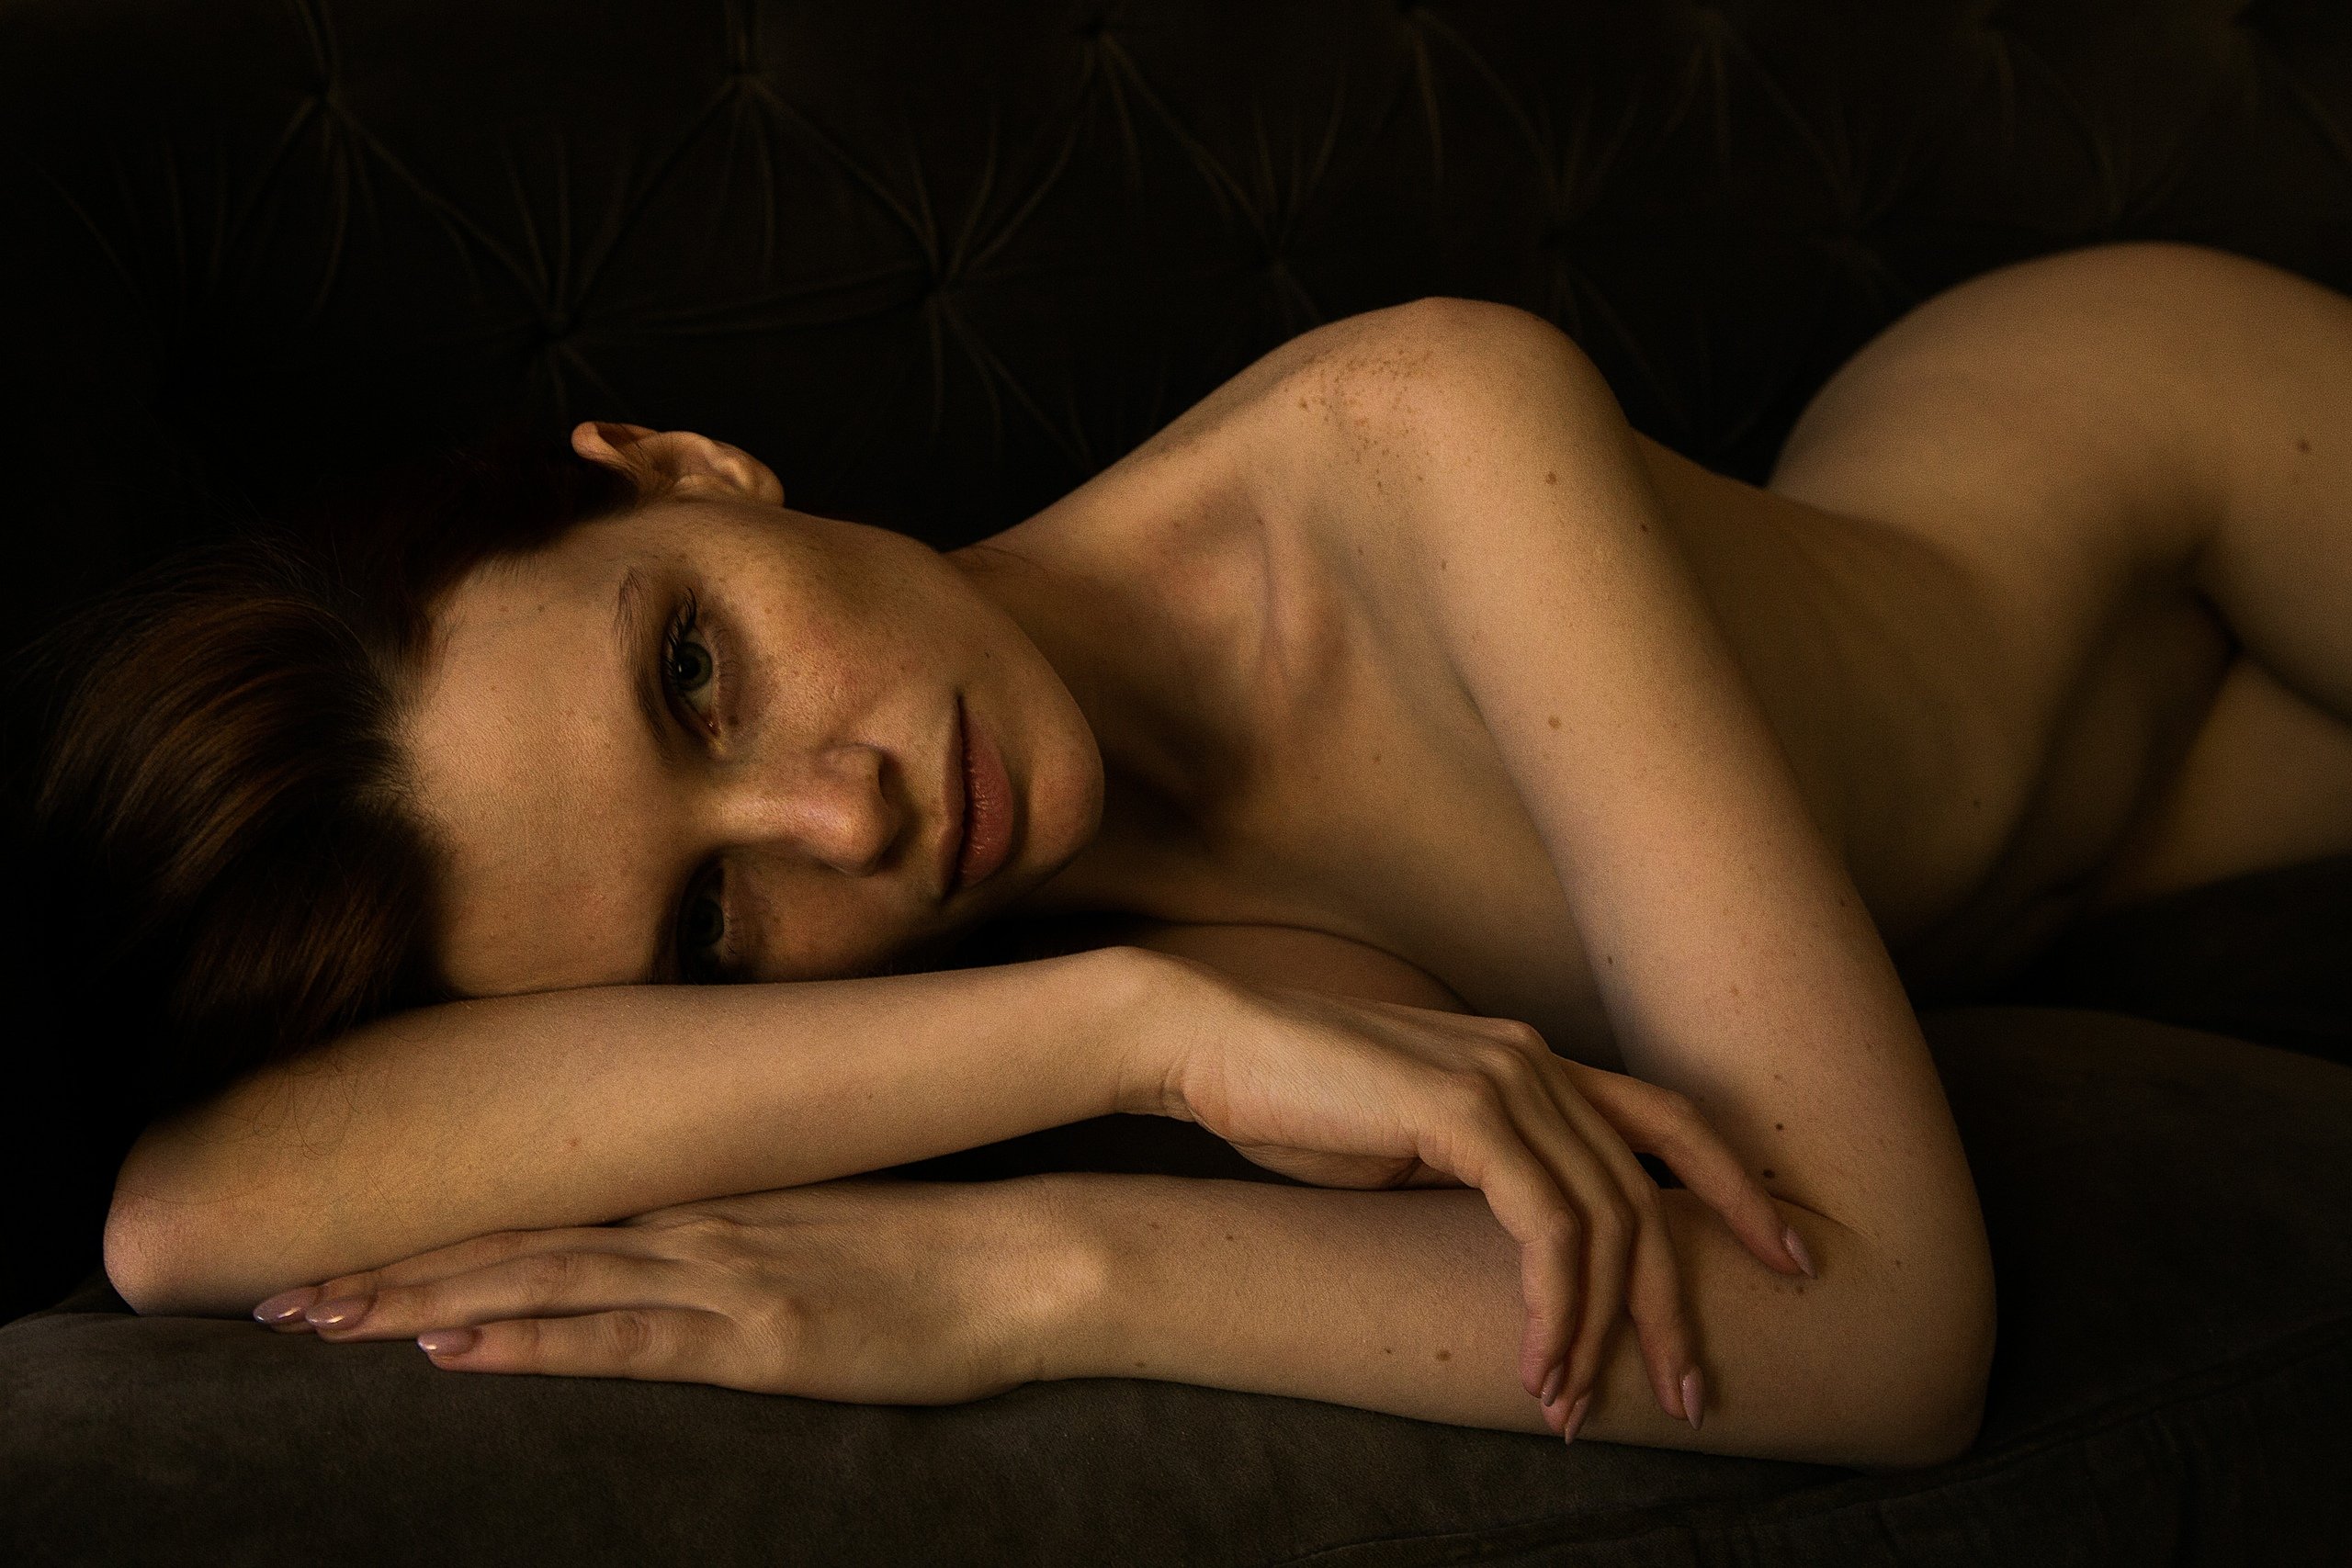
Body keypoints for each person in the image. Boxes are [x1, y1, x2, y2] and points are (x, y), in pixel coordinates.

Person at [32, 238, 2352, 1471]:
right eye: (708, 918)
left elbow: (1887, 1331)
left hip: (2134, 466)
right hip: (2126, 844)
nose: (846, 817)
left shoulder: (1421, 425)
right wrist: (1131, 1028)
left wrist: (1025, 1273)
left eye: (695, 674)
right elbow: (188, 1219)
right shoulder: (1140, 983)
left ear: (686, 466)